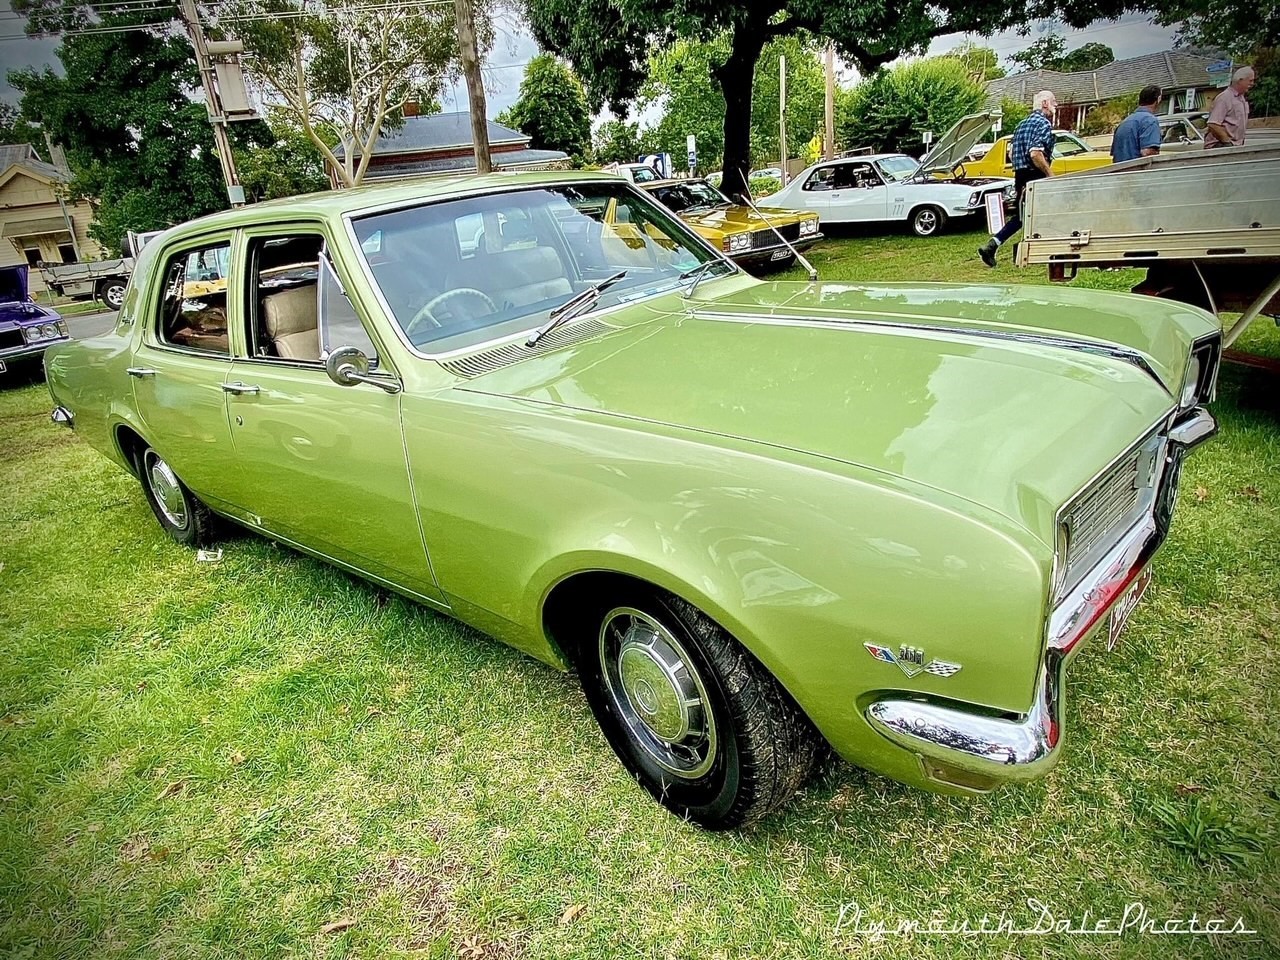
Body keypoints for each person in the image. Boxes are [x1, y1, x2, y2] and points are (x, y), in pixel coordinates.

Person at [978, 90, 1056, 267]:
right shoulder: (1043, 123)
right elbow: (1035, 153)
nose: (1056, 105)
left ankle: (993, 245)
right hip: (1035, 175)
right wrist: (1050, 175)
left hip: (1020, 176)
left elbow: (1012, 153)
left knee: (1023, 217)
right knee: (1046, 214)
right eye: (1053, 101)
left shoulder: (1021, 124)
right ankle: (1040, 252)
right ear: (1044, 103)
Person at [1204, 66, 1256, 148]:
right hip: (1219, 145)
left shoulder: (1241, 98)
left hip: (1235, 145)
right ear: (1240, 80)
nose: (1252, 84)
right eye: (1250, 80)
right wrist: (1227, 142)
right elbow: (1213, 124)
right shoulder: (1225, 98)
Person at [1111, 85, 1164, 163]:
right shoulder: (1149, 121)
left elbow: (1115, 154)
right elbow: (1148, 152)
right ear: (1158, 99)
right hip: (1139, 171)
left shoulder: (1124, 122)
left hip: (1120, 171)